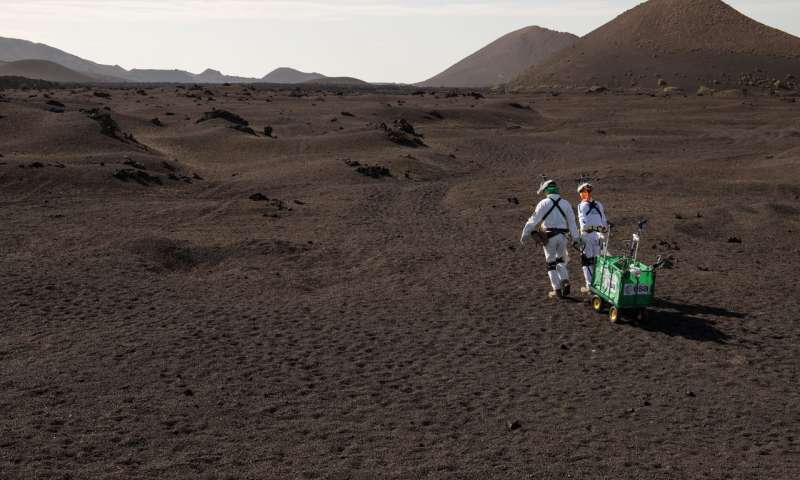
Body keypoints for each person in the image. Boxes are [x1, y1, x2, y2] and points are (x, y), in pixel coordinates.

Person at [520, 179, 582, 298]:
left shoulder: (543, 203)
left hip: (549, 237)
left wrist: (525, 235)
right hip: (563, 237)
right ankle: (565, 279)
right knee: (561, 260)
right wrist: (576, 238)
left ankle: (557, 289)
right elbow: (572, 223)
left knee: (551, 264)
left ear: (546, 190)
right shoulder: (566, 203)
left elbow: (533, 220)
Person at [576, 182, 609, 294]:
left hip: (588, 237)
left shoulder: (581, 206)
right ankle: (600, 286)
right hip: (600, 237)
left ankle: (590, 287)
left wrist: (590, 229)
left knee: (587, 262)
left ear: (582, 193)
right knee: (598, 262)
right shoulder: (599, 204)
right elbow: (604, 224)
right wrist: (600, 231)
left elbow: (584, 226)